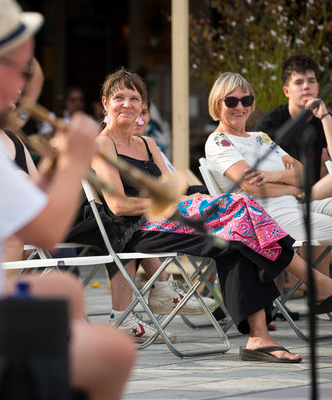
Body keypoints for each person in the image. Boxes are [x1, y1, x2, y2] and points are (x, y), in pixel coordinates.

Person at [0, 1, 136, 399]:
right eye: (23, 71)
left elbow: (23, 204)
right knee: (114, 350)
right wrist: (77, 161)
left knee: (62, 289)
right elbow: (44, 232)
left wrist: (56, 163)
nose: (23, 89)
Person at [71, 67, 332, 363]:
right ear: (105, 103)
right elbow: (118, 206)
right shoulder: (102, 144)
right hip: (136, 230)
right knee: (241, 208)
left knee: (237, 235)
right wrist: (175, 201)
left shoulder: (149, 144)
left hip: (169, 218)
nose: (128, 104)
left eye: (134, 98)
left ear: (143, 105)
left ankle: (259, 337)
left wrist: (186, 199)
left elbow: (172, 190)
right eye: (119, 97)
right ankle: (318, 284)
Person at [205, 72, 332, 279]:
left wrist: (272, 176)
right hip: (267, 217)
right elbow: (253, 186)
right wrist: (290, 186)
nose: (240, 107)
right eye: (231, 101)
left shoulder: (260, 138)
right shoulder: (219, 141)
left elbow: (303, 174)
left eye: (246, 100)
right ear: (217, 104)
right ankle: (322, 290)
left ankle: (322, 292)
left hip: (296, 204)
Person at [254, 55, 331, 185]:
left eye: (311, 81)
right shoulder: (270, 122)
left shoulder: (323, 119)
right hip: (281, 194)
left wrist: (325, 117)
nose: (306, 86)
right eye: (299, 82)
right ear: (286, 91)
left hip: (312, 195)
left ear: (318, 88)